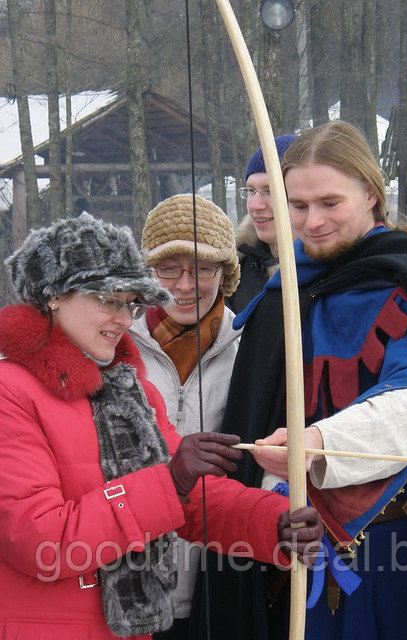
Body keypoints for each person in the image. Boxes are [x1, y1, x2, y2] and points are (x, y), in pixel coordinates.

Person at [201, 121, 407, 640]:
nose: (312, 220)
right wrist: (271, 494)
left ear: (371, 193)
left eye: (331, 201)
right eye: (298, 205)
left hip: (405, 547)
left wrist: (318, 443)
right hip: (293, 545)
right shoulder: (282, 296)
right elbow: (259, 416)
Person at [0, 212, 323, 640]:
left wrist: (274, 524)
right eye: (109, 300)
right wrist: (169, 481)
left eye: (131, 304)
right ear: (54, 295)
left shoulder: (128, 389)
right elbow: (38, 541)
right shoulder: (9, 390)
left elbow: (186, 501)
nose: (124, 318)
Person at [129, 194, 241, 639]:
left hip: (218, 576)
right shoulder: (112, 343)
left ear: (226, 273)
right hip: (125, 580)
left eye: (204, 268)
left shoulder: (249, 347)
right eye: (168, 268)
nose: (185, 284)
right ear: (147, 274)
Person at [226, 133, 296, 314]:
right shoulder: (234, 269)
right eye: (251, 190)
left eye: (269, 190)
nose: (255, 205)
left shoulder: (325, 272)